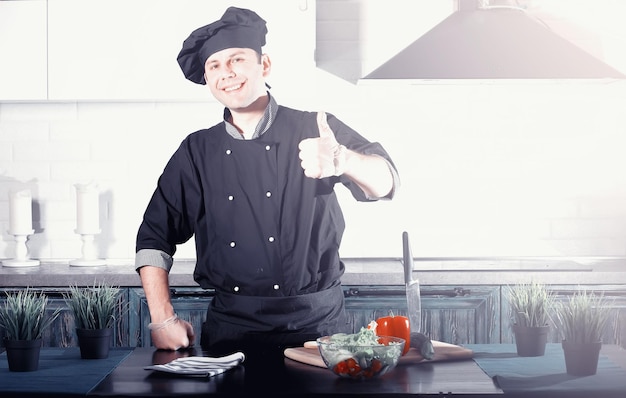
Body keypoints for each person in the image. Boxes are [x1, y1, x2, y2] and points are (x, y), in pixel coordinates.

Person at [135, 7, 399, 359]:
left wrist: (342, 160)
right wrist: (161, 318)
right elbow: (154, 237)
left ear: (265, 65)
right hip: (232, 330)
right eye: (214, 66)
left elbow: (386, 183)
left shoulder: (315, 127)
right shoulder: (197, 151)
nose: (226, 73)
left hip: (318, 329)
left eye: (236, 59)